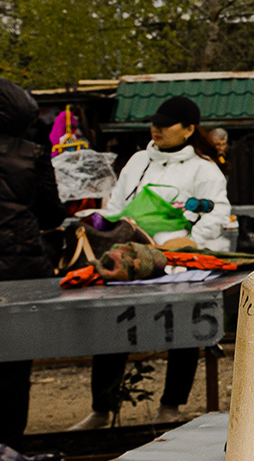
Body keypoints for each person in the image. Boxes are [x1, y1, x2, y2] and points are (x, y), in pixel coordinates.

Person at [75, 95, 231, 429]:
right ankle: (102, 410)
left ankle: (171, 407)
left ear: (189, 129)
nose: (156, 129)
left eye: (166, 124)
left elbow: (216, 212)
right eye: (154, 123)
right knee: (113, 326)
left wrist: (191, 241)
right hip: (131, 260)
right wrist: (95, 221)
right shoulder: (135, 162)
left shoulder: (204, 169)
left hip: (178, 262)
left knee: (183, 328)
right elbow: (116, 205)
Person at [0, 75, 61, 445]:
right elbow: (52, 215)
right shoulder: (31, 153)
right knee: (8, 365)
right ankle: (2, 446)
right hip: (18, 276)